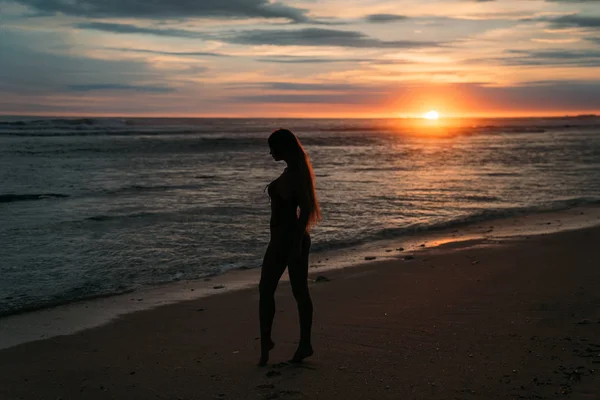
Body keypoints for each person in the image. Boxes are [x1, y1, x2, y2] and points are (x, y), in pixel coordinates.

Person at [259, 128, 322, 366]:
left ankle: (292, 344)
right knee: (278, 290)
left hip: (288, 239)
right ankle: (270, 342)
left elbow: (305, 210)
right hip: (283, 239)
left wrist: (295, 244)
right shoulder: (292, 171)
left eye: (272, 147)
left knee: (281, 290)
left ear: (283, 148)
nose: (270, 152)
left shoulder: (296, 175)